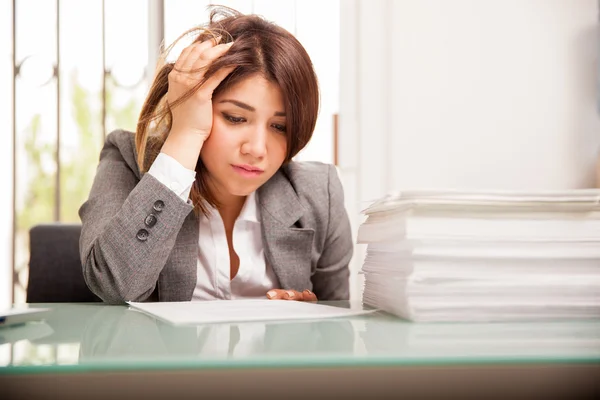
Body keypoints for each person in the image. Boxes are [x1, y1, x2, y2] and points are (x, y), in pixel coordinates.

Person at [78, 6, 352, 304]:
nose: (257, 149)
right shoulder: (128, 158)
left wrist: (314, 325)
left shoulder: (319, 192)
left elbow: (340, 324)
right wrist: (185, 134)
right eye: (235, 118)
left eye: (279, 126)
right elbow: (114, 286)